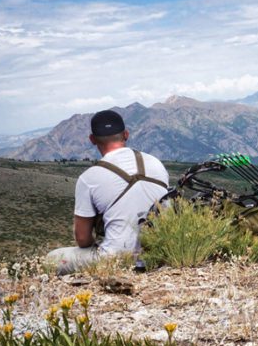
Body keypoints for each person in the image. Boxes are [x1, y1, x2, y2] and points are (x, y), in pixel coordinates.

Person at [46, 110, 169, 274]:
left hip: (116, 260)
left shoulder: (89, 178)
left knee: (52, 258)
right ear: (126, 134)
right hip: (162, 253)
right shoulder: (155, 163)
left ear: (92, 139)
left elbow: (82, 239)